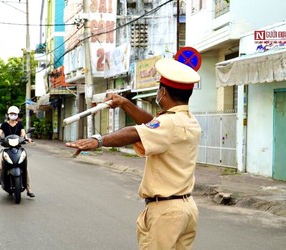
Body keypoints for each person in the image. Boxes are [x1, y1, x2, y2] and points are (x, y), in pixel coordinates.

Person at [66, 58, 201, 249]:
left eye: (158, 89)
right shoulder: (187, 120)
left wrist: (98, 140)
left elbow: (134, 132)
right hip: (186, 209)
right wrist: (125, 104)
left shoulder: (170, 123)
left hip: (166, 213)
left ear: (162, 92)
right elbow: (152, 124)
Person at [0, 106, 35, 198]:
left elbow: (23, 135)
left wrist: (28, 139)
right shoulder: (4, 125)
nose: (13, 115)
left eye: (14, 114)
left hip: (18, 149)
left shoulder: (20, 125)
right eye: (11, 114)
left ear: (17, 115)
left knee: (26, 168)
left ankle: (29, 190)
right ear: (8, 115)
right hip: (7, 148)